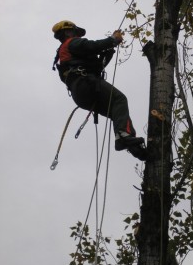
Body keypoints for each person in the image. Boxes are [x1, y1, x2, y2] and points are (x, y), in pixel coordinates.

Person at [52, 20, 146, 161]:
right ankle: (123, 136)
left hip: (81, 94)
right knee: (119, 99)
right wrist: (113, 40)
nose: (77, 35)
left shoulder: (66, 55)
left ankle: (133, 146)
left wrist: (107, 54)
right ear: (67, 32)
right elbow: (92, 46)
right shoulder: (72, 43)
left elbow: (95, 66)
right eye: (75, 32)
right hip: (86, 84)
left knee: (116, 111)